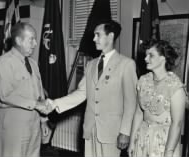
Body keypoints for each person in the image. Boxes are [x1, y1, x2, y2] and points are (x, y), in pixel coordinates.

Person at [40, 19, 138, 157]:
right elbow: (81, 93)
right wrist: (55, 103)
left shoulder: (126, 64)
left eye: (98, 35)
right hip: (90, 129)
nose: (93, 39)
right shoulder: (91, 64)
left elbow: (131, 102)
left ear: (110, 36)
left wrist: (125, 131)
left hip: (112, 132)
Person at [0, 22, 51, 157]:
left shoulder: (33, 64)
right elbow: (5, 95)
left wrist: (43, 120)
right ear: (18, 40)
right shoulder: (4, 63)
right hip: (13, 126)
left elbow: (39, 93)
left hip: (34, 125)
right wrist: (36, 105)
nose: (35, 43)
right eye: (31, 39)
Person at [128, 40, 186, 157]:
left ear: (163, 58)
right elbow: (139, 113)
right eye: (146, 55)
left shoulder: (175, 86)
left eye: (151, 55)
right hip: (143, 138)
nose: (145, 59)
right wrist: (132, 142)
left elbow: (177, 123)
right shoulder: (144, 81)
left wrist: (168, 152)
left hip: (164, 142)